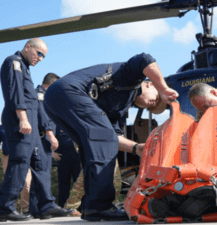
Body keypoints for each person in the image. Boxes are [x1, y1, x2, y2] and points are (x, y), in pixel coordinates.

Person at [44, 53, 178, 221]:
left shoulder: (121, 109)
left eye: (154, 108)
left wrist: (136, 148)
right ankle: (100, 205)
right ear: (150, 85)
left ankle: (91, 207)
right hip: (68, 91)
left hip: (55, 101)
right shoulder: (132, 77)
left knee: (92, 146)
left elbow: (114, 137)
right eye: (156, 98)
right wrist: (164, 88)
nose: (153, 104)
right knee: (102, 141)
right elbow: (145, 59)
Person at [0, 38, 73, 222]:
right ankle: (4, 208)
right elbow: (15, 93)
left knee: (40, 164)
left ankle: (45, 207)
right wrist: (23, 118)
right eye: (39, 53)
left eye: (43, 56)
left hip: (31, 124)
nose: (40, 58)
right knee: (20, 162)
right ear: (28, 47)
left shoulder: (25, 67)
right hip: (19, 121)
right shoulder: (13, 62)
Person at [27, 73, 62, 219]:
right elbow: (43, 117)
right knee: (42, 173)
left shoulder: (39, 94)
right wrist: (51, 135)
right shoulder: (40, 95)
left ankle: (37, 209)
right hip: (41, 139)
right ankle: (44, 207)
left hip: (41, 140)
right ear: (52, 83)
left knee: (38, 175)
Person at [0, 124, 32, 213]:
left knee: (26, 183)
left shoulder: (24, 125)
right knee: (11, 183)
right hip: (8, 158)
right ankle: (12, 209)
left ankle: (26, 208)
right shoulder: (1, 128)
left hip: (24, 157)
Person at [55, 126, 81, 215]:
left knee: (79, 183)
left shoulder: (76, 122)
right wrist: (52, 152)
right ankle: (62, 208)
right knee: (63, 183)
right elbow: (48, 138)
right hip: (62, 158)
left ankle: (80, 208)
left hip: (78, 158)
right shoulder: (56, 124)